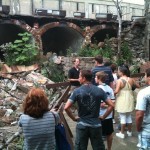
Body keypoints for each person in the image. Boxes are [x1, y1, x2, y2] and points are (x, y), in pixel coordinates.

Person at [64, 70, 114, 150]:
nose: (78, 78)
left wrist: (74, 118)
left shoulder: (77, 91)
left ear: (84, 78)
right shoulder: (99, 90)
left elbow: (66, 107)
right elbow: (111, 105)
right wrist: (103, 116)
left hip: (82, 125)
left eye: (80, 77)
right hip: (96, 125)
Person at [115, 66, 140, 139]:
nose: (118, 72)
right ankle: (129, 132)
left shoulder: (119, 80)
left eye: (118, 71)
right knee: (128, 116)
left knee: (122, 117)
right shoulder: (131, 79)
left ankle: (122, 133)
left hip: (122, 98)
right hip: (130, 98)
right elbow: (138, 86)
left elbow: (116, 91)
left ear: (122, 72)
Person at [95, 71, 115, 150]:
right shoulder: (109, 88)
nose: (95, 78)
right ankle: (109, 148)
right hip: (108, 115)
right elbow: (113, 103)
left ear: (99, 78)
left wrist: (102, 105)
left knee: (97, 134)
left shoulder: (97, 89)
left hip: (99, 115)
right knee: (109, 133)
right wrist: (107, 105)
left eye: (96, 77)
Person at [136, 68, 150, 150]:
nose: (144, 77)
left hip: (147, 130)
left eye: (145, 75)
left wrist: (138, 128)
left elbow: (139, 115)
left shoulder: (144, 93)